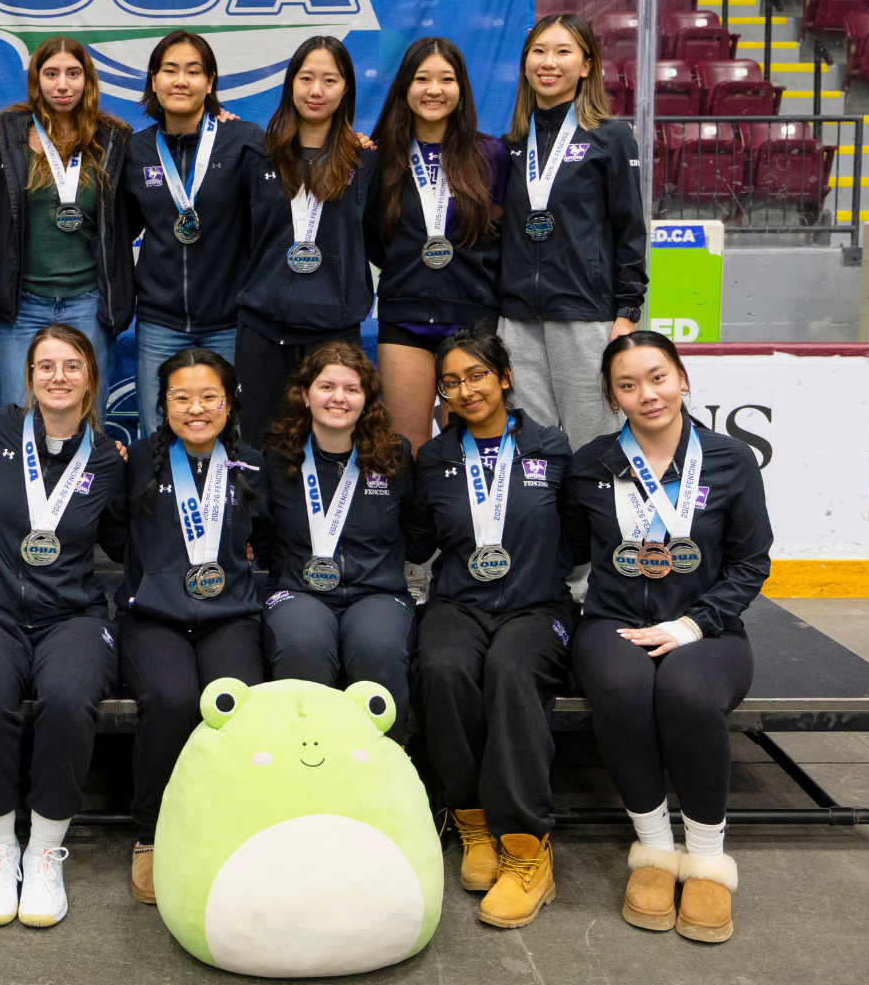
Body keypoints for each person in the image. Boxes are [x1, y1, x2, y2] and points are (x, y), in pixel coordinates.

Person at [565, 331, 772, 944]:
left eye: (657, 377)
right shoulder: (592, 464)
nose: (646, 394)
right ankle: (654, 852)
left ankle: (706, 860)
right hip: (611, 622)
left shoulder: (731, 460)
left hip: (709, 628)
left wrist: (692, 623)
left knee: (684, 693)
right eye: (627, 385)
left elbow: (750, 562)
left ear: (682, 377)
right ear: (612, 396)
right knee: (624, 689)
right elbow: (567, 549)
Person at [0, 324, 127, 929]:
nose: (58, 376)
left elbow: (132, 537)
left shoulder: (106, 458)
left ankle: (46, 849)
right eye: (45, 366)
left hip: (70, 614)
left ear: (90, 379)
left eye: (71, 365)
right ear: (28, 379)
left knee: (70, 696)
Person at [407, 322, 577, 929]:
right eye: (451, 382)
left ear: (505, 377)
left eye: (476, 375)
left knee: (509, 669)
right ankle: (473, 820)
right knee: (444, 667)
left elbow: (579, 538)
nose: (466, 390)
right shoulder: (434, 459)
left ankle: (528, 847)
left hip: (536, 606)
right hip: (458, 602)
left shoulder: (552, 448)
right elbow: (419, 539)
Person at [100, 348, 268, 906]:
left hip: (230, 617)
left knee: (232, 703)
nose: (195, 409)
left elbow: (267, 541)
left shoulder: (252, 463)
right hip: (154, 618)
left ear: (230, 401)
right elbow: (114, 535)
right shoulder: (136, 460)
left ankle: (228, 826)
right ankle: (151, 833)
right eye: (180, 397)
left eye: (209, 397)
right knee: (172, 699)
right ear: (162, 403)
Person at [256, 342, 423, 739]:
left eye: (351, 389)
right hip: (298, 591)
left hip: (378, 592)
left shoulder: (394, 453)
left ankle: (383, 775)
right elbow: (263, 533)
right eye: (326, 386)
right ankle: (303, 776)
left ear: (368, 399)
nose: (338, 398)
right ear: (304, 393)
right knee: (302, 648)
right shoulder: (277, 455)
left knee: (377, 651)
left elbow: (417, 532)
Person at [497, 13, 647, 451]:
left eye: (563, 51)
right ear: (525, 64)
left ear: (586, 66)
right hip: (517, 319)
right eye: (539, 51)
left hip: (587, 316)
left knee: (593, 448)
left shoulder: (612, 136)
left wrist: (626, 310)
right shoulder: (510, 145)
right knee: (532, 451)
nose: (549, 62)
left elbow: (630, 228)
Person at [365, 36, 509, 453]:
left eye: (446, 79)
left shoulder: (490, 154)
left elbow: (496, 233)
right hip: (404, 318)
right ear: (405, 88)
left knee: (465, 444)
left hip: (471, 319)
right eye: (422, 78)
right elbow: (374, 239)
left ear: (461, 89)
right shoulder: (381, 156)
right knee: (406, 447)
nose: (434, 89)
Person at [236, 36, 379, 448]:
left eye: (329, 80)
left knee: (331, 450)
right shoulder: (255, 155)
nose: (316, 91)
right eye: (306, 78)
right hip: (261, 335)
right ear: (290, 83)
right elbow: (239, 238)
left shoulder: (365, 162)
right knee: (259, 453)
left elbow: (375, 240)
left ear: (346, 87)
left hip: (334, 336)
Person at [0, 37, 135, 419]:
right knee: (18, 419)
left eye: (73, 73)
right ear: (36, 80)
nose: (62, 85)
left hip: (88, 304)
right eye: (51, 74)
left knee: (86, 419)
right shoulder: (3, 134)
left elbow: (129, 219)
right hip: (22, 307)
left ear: (88, 79)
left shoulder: (113, 139)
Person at [123, 30, 264, 437]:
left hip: (230, 322)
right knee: (159, 435)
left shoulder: (244, 141)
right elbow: (121, 229)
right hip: (159, 321)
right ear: (154, 81)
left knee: (233, 433)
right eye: (170, 70)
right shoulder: (137, 151)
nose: (180, 81)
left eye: (193, 71)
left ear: (211, 82)